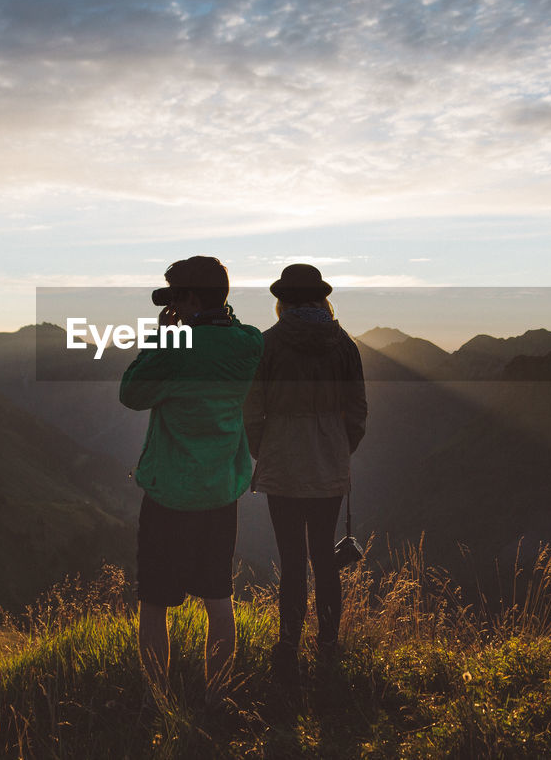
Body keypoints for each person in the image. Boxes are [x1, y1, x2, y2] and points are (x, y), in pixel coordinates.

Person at [119, 255, 263, 709]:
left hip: (170, 493)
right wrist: (211, 317)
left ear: (191, 297)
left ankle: (159, 700)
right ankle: (216, 698)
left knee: (155, 603)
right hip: (221, 490)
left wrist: (164, 336)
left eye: (176, 294)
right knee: (219, 597)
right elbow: (233, 335)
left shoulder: (175, 347)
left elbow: (132, 393)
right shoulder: (250, 342)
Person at [244, 263, 367, 675]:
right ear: (320, 298)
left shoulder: (268, 344)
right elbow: (357, 413)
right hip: (329, 466)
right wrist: (336, 447)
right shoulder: (345, 346)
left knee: (293, 561)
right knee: (324, 557)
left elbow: (252, 410)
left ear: (283, 300)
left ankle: (287, 649)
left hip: (282, 466)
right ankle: (329, 646)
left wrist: (265, 450)